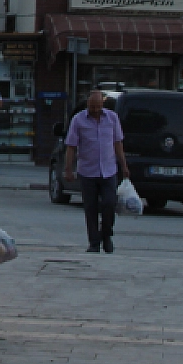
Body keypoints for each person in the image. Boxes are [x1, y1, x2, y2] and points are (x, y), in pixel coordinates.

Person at [63, 88, 129, 253]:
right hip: (87, 171)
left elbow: (118, 143)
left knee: (109, 203)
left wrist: (124, 165)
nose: (95, 111)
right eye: (92, 107)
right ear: (88, 105)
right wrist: (68, 169)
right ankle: (94, 242)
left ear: (103, 104)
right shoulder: (78, 120)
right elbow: (71, 146)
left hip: (109, 170)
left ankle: (106, 234)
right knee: (90, 208)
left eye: (98, 107)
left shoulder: (112, 118)